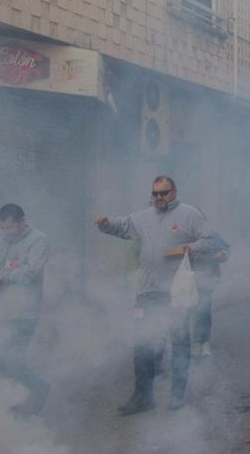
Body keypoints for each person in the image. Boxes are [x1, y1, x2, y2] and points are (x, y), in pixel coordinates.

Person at [95, 175, 216, 415]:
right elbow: (122, 226)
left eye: (164, 193)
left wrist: (189, 249)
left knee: (179, 342)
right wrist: (105, 224)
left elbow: (209, 240)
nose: (159, 198)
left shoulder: (190, 214)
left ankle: (177, 394)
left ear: (174, 191)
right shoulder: (143, 217)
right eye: (155, 194)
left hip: (176, 292)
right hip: (147, 291)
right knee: (141, 343)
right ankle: (143, 396)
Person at [0, 203, 51, 416]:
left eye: (10, 228)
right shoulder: (0, 239)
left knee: (10, 359)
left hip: (25, 312)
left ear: (22, 222)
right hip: (2, 310)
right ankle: (15, 399)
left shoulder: (38, 240)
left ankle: (40, 389)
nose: (6, 233)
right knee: (2, 358)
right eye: (3, 229)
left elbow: (32, 272)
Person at [189, 226, 230, 358]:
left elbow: (225, 250)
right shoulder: (186, 234)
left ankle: (204, 342)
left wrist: (222, 255)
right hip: (189, 279)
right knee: (192, 310)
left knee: (204, 309)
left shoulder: (212, 235)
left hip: (208, 279)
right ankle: (195, 341)